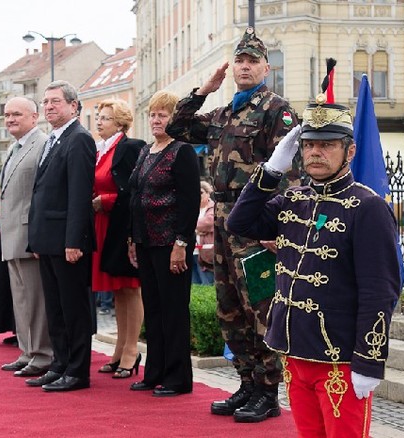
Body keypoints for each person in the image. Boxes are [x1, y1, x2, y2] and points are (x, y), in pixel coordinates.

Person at [226, 95, 401, 435]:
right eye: (308, 145)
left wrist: (369, 360)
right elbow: (239, 223)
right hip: (293, 350)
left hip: (339, 357)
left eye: (327, 145)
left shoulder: (368, 207)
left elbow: (380, 290)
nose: (315, 153)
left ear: (349, 152)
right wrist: (271, 170)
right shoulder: (293, 199)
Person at [165, 27, 298, 422]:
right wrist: (204, 89)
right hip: (222, 220)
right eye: (239, 60)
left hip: (254, 222)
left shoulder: (277, 111)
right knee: (230, 307)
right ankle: (247, 383)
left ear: (265, 68)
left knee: (260, 304)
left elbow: (290, 173)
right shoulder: (223, 113)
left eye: (252, 61)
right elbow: (177, 128)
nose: (244, 66)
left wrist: (275, 229)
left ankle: (268, 391)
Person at [127, 90, 200, 397]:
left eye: (163, 115)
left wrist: (182, 242)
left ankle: (177, 377)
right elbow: (135, 196)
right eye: (153, 115)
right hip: (145, 242)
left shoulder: (182, 151)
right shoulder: (146, 151)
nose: (156, 120)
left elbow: (189, 201)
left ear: (175, 119)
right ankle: (154, 371)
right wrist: (132, 238)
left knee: (173, 312)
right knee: (153, 311)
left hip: (171, 244)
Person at [26, 80, 96, 392]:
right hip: (48, 239)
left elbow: (79, 196)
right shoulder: (53, 139)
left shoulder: (79, 139)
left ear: (73, 106)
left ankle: (78, 371)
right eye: (46, 102)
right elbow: (42, 192)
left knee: (73, 309)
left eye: (55, 101)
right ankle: (60, 364)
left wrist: (73, 241)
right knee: (55, 308)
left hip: (68, 242)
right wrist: (37, 240)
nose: (49, 106)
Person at [0, 96, 53, 378]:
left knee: (36, 299)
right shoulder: (14, 147)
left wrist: (38, 236)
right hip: (11, 233)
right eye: (7, 115)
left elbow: (41, 194)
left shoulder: (42, 144)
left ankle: (43, 354)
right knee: (20, 299)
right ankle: (27, 351)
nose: (10, 119)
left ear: (34, 116)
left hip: (29, 233)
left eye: (17, 114)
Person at [91, 99, 145, 379]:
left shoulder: (130, 146)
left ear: (121, 122)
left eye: (106, 118)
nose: (99, 121)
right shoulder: (100, 150)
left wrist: (108, 200)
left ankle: (132, 349)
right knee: (117, 290)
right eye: (98, 117)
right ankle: (121, 347)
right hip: (104, 224)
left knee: (130, 287)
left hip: (122, 224)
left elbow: (136, 188)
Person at [192, 181, 215, 285]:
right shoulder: (191, 208)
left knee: (207, 284)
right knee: (194, 285)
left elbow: (208, 223)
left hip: (206, 255)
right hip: (191, 252)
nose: (198, 195)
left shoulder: (213, 207)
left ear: (208, 193)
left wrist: (191, 229)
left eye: (201, 192)